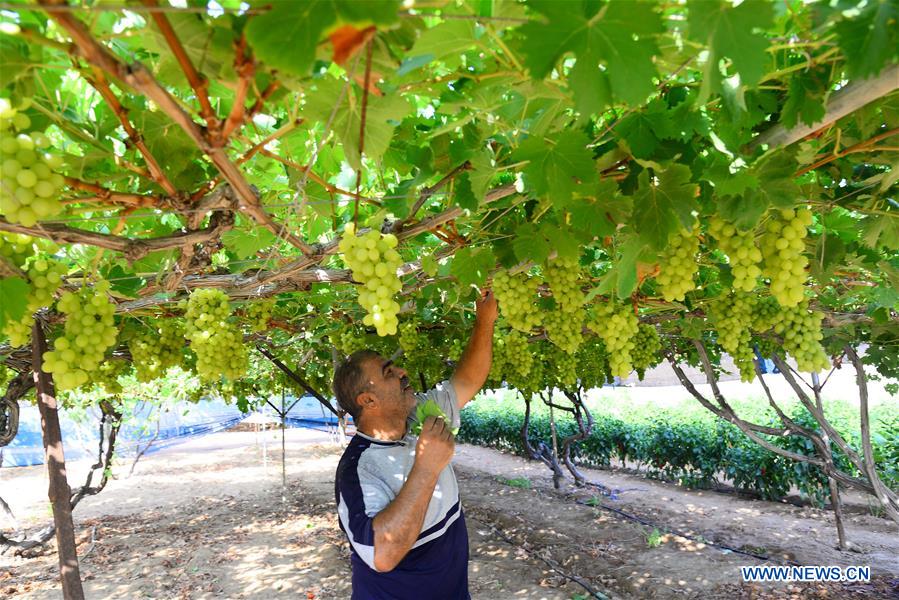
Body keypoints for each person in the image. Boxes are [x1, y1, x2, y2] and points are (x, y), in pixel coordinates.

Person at [332, 289, 497, 600]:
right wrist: (426, 467)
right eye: (388, 373)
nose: (403, 372)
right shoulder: (357, 469)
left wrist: (484, 320)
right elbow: (382, 554)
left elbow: (467, 380)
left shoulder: (419, 415)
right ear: (368, 400)